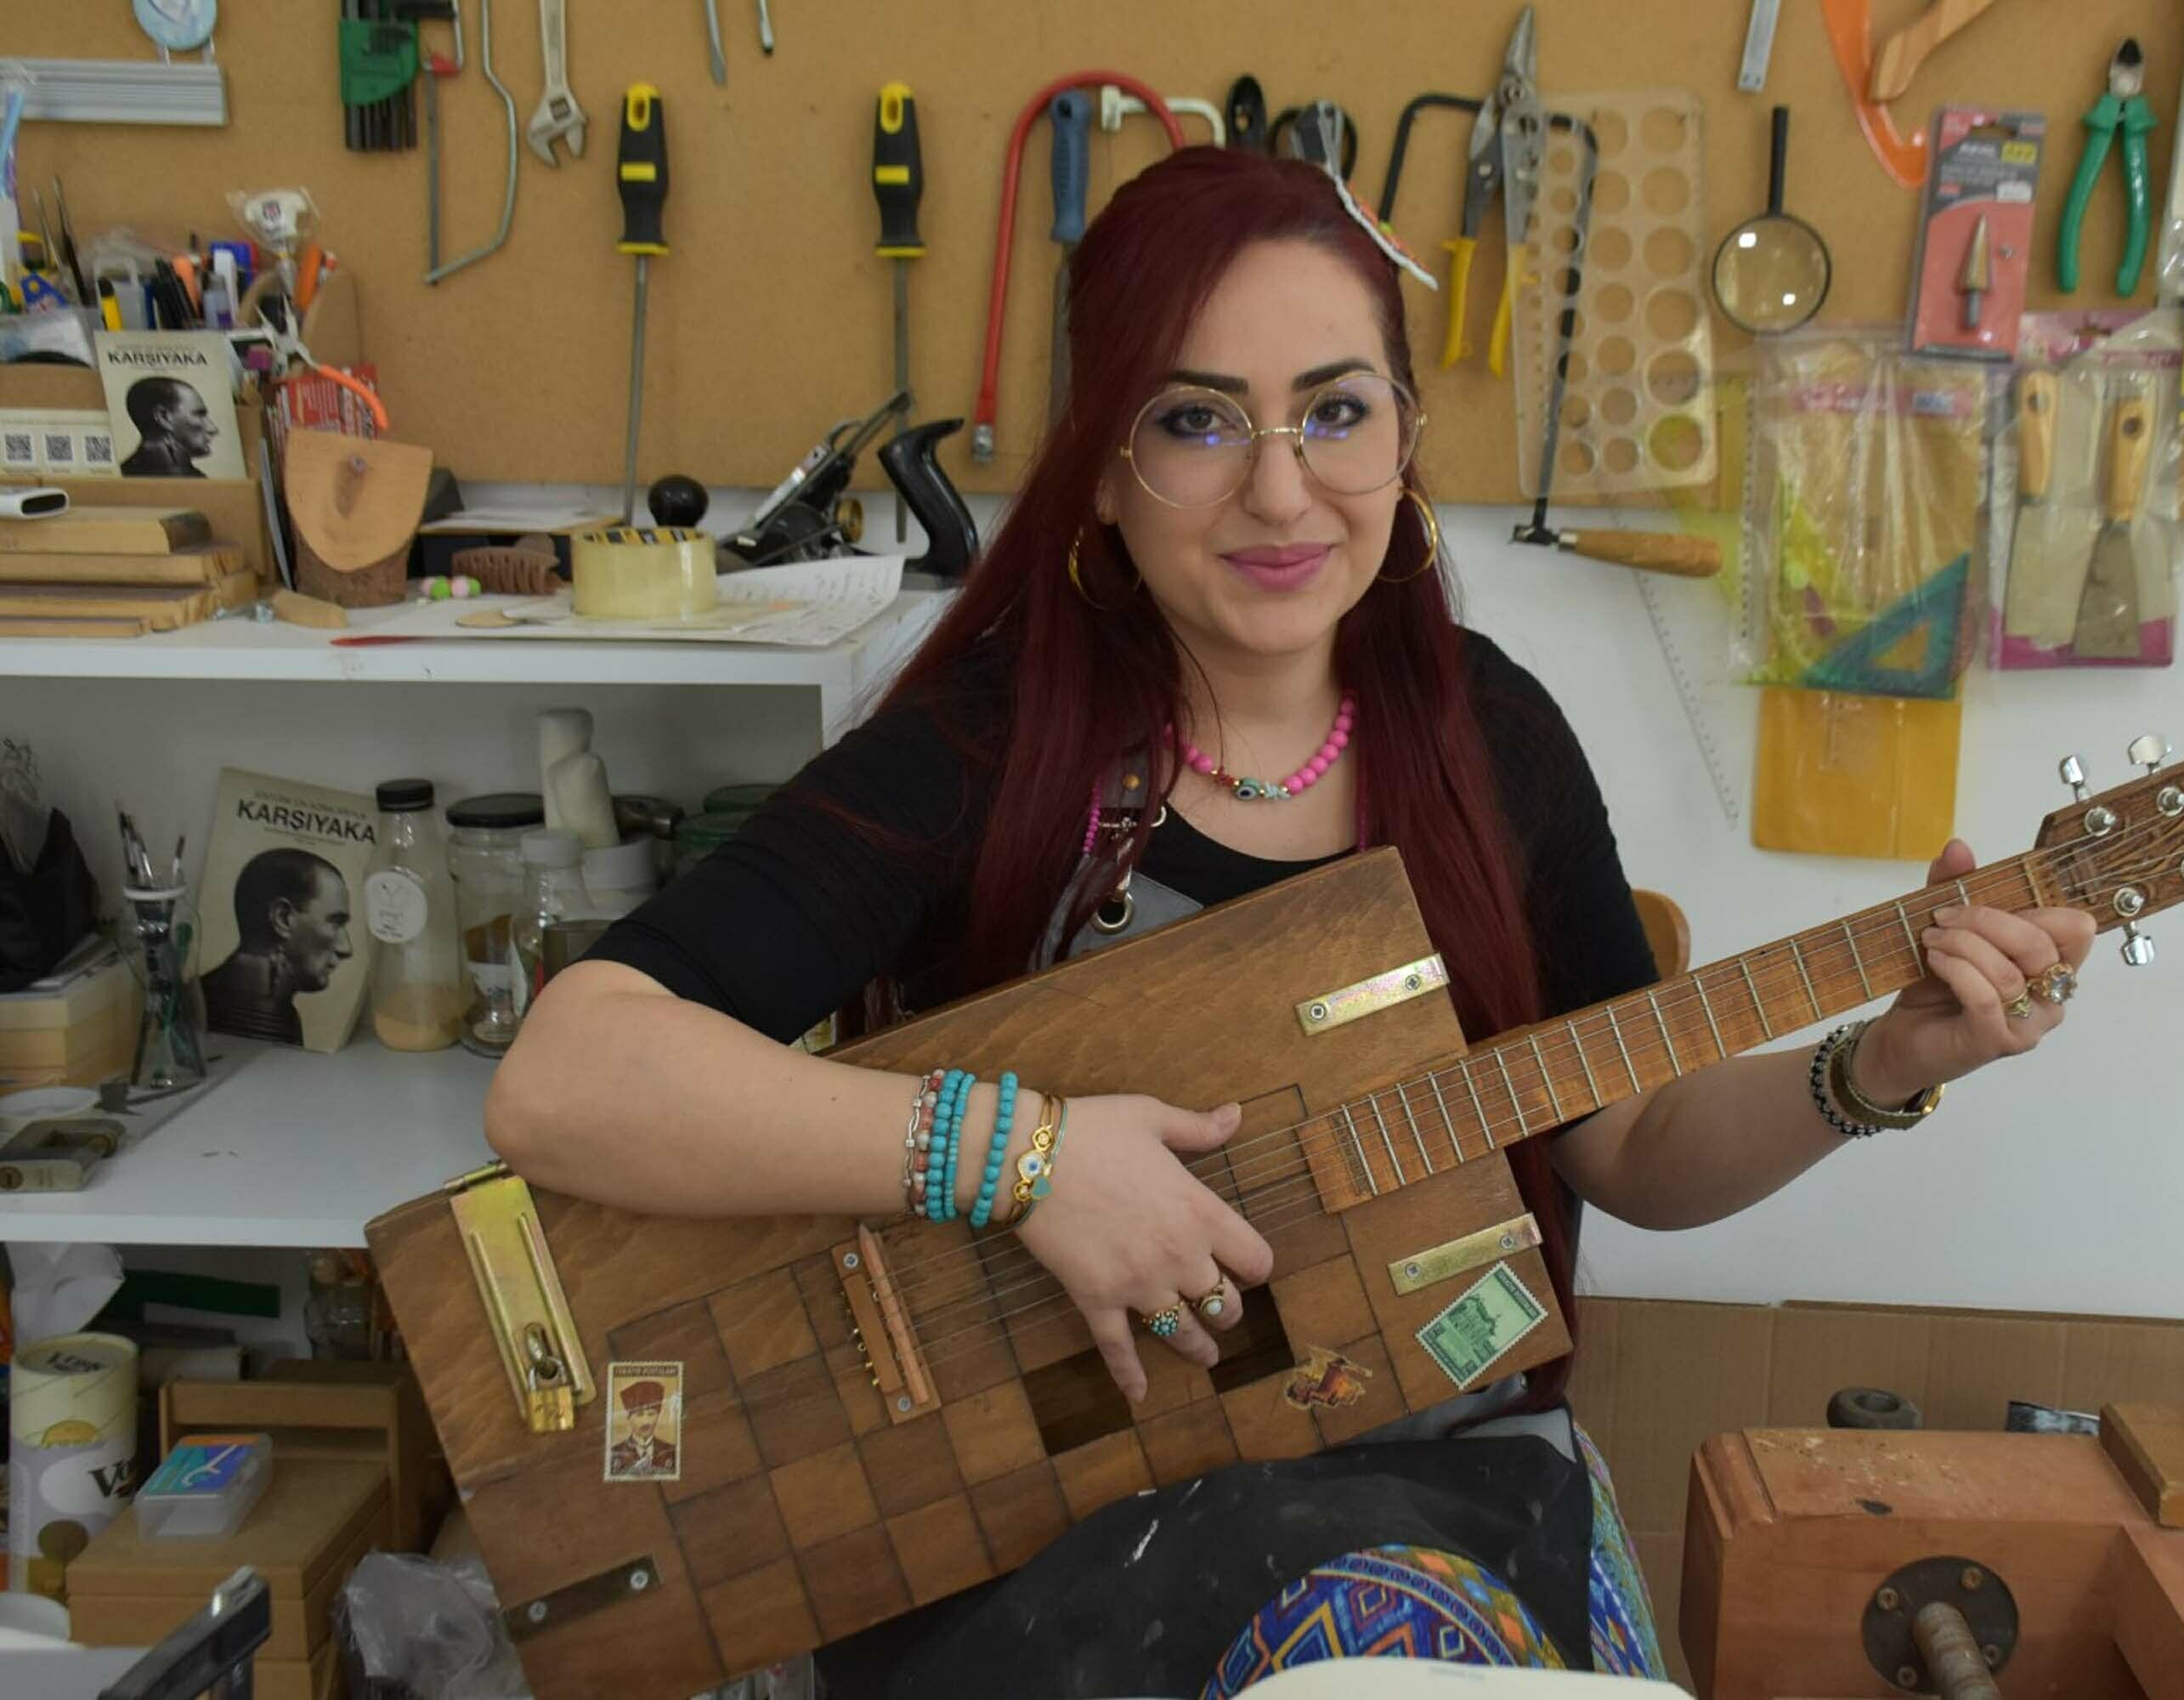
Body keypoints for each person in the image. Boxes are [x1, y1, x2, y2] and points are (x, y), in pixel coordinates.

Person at [487, 149, 2092, 1695]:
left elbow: (1627, 1143)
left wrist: (1874, 1068)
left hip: (1430, 1485)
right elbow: (566, 1080)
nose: (1280, 490)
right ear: (1105, 467)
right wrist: (1018, 1158)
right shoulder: (992, 745)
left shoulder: (1490, 735)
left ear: (1404, 437)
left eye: (1336, 411)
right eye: (1197, 420)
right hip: (1037, 1522)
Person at [201, 848, 356, 1046]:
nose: (346, 949)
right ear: (282, 918)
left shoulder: (203, 997)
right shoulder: (257, 1016)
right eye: (336, 923)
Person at [116, 376, 219, 479]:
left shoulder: (121, 474)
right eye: (199, 415)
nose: (213, 429)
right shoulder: (188, 479)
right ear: (163, 417)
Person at [607, 1380, 677, 1478]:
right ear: (628, 1417)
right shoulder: (614, 1453)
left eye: (651, 1414)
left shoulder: (672, 1451)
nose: (646, 1422)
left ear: (658, 1416)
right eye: (639, 1415)